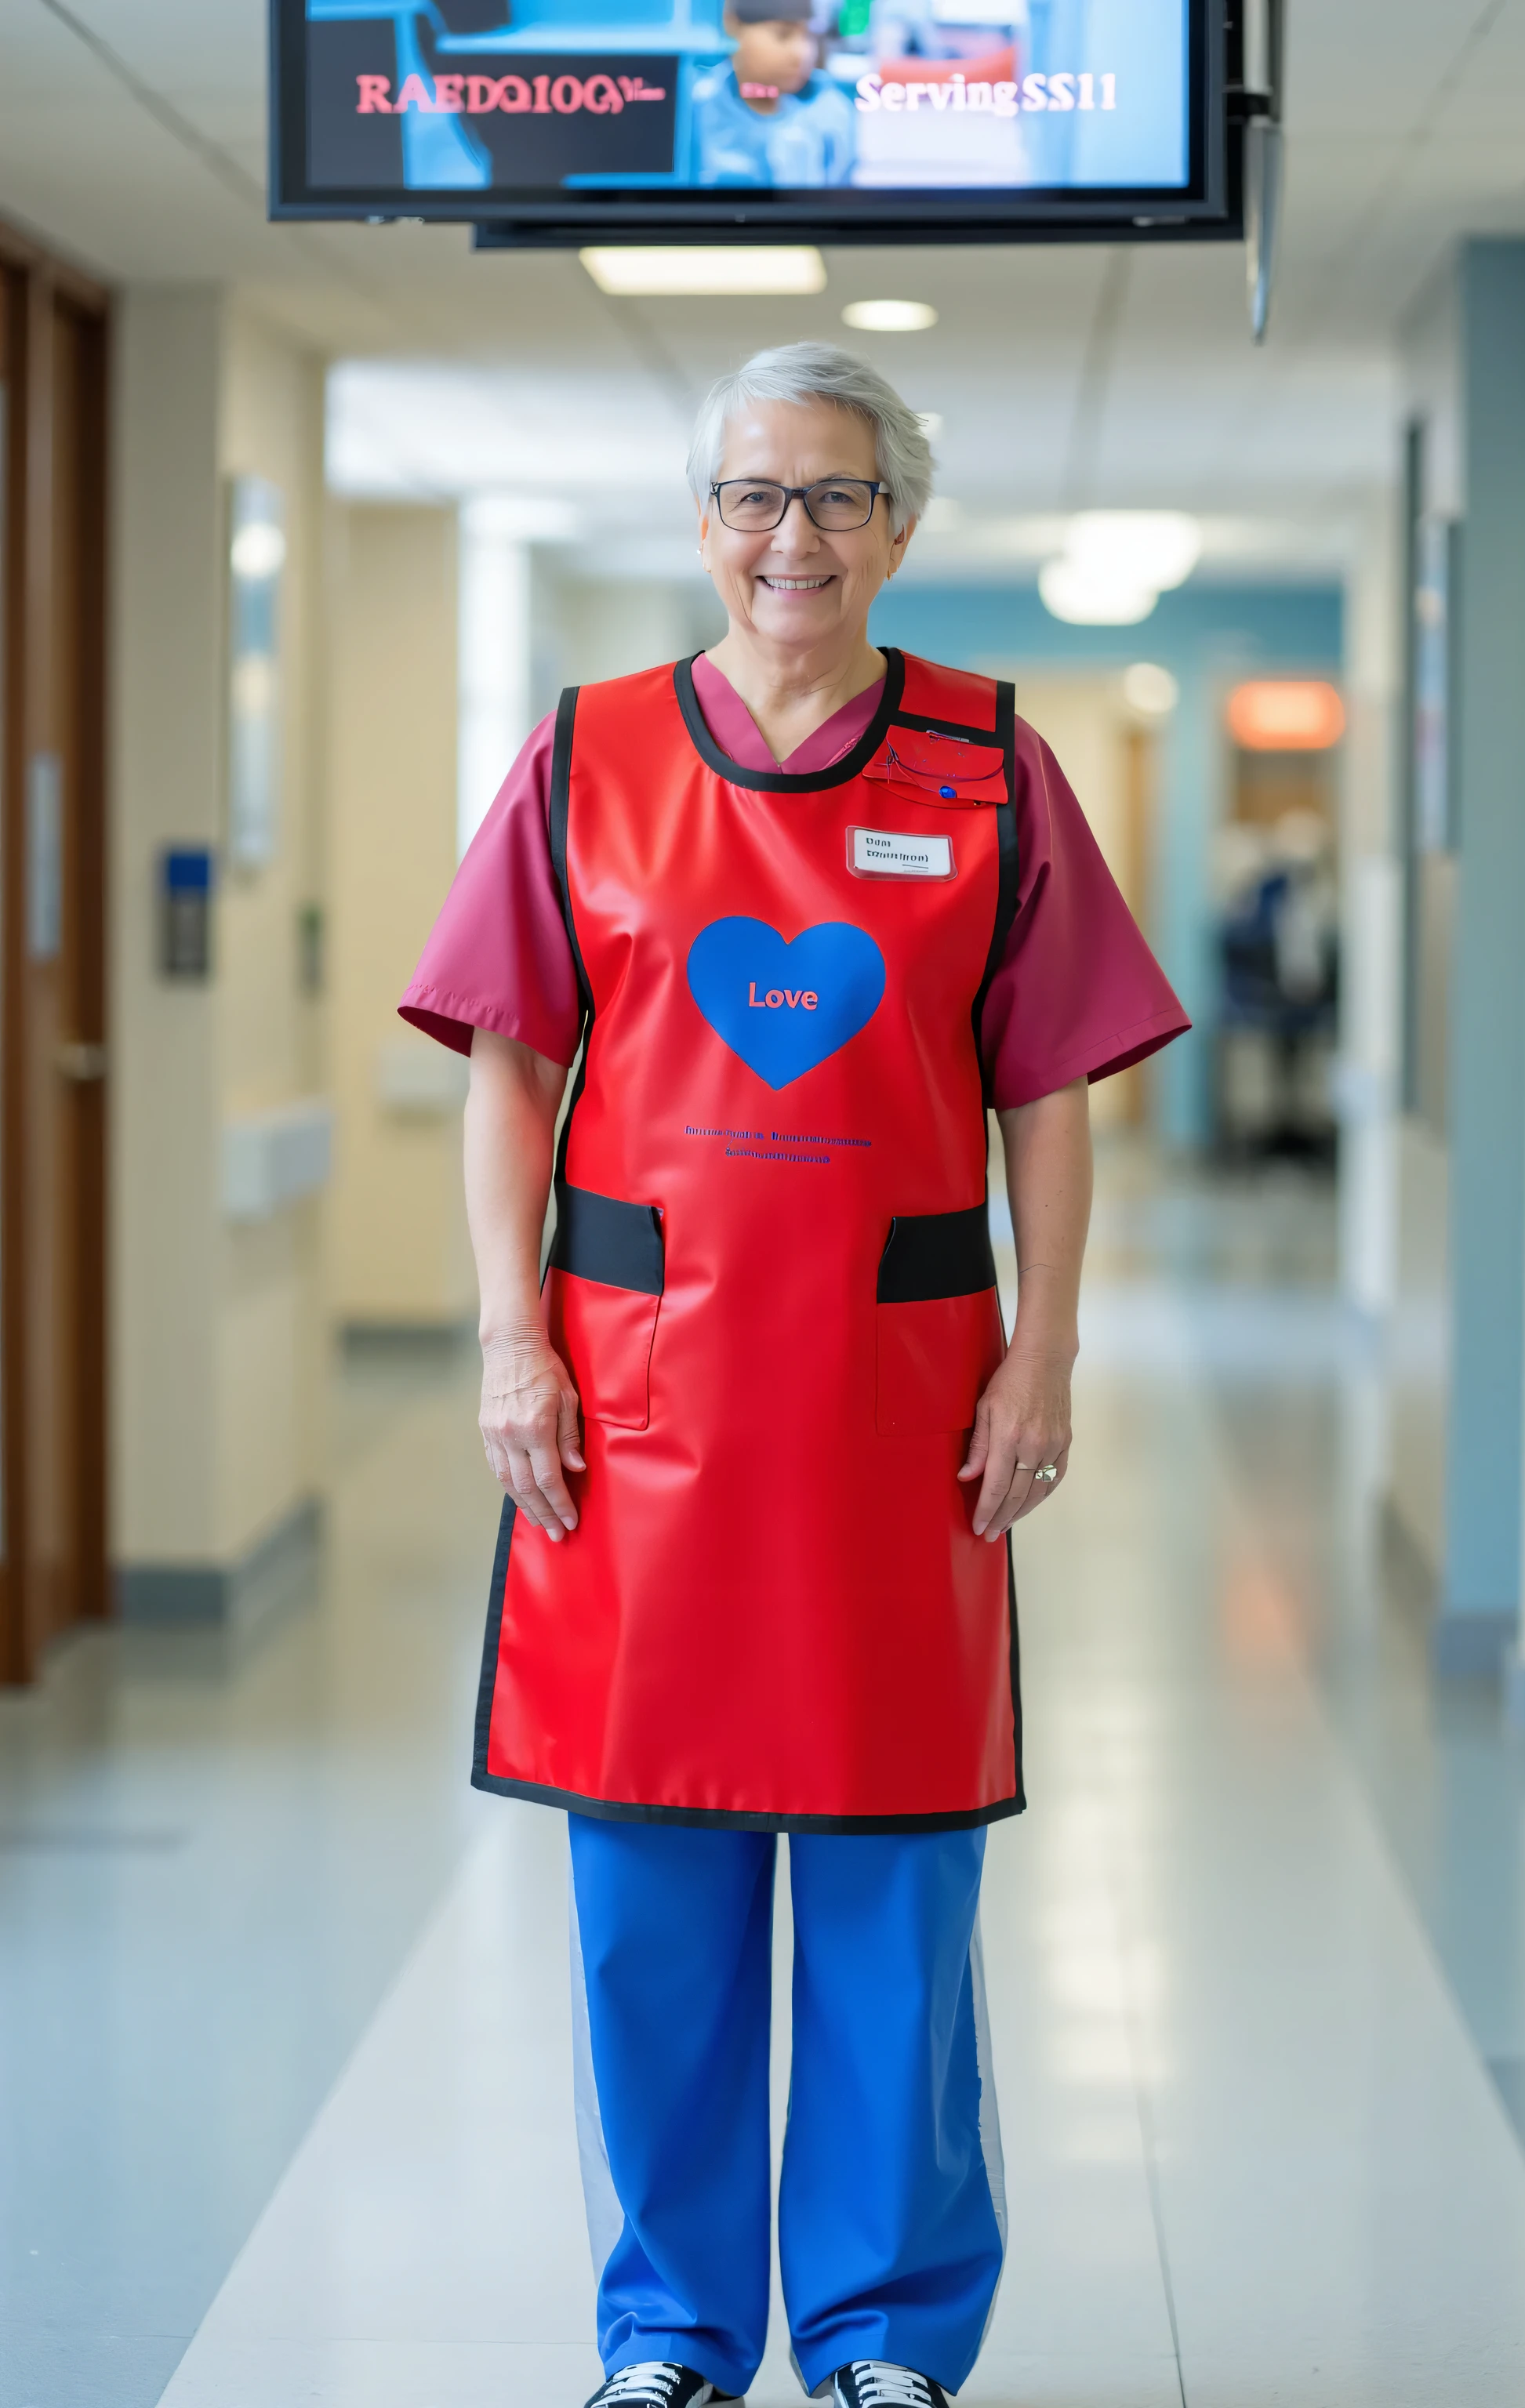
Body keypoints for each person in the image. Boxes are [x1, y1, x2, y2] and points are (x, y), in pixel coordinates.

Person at [399, 343, 1189, 2408]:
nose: (793, 537)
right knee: (648, 1909)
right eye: (755, 493)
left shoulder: (988, 763)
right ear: (703, 520)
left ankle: (881, 2338)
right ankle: (668, 2334)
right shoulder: (586, 756)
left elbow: (1048, 1092)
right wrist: (507, 1341)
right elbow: (509, 1064)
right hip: (638, 1413)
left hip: (891, 1411)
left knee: (890, 1893)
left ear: (898, 527)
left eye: (838, 495)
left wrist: (1045, 1351)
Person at [689, 0, 855, 186]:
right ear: (733, 25)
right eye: (782, 34)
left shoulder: (831, 111)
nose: (801, 54)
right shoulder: (694, 110)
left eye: (810, 37)